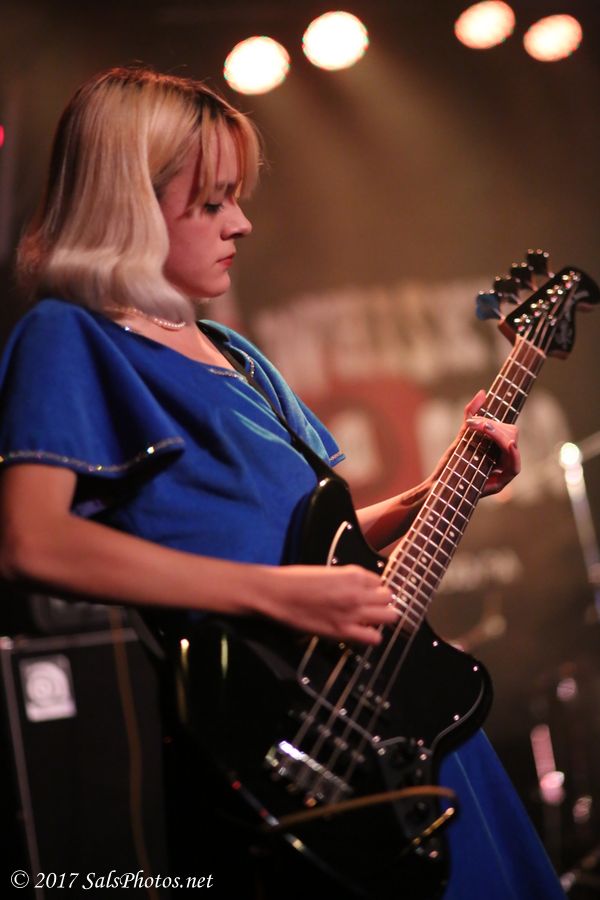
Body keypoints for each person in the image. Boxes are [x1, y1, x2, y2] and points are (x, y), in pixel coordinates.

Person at [0, 67, 564, 898]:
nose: (243, 222)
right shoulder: (69, 336)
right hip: (282, 733)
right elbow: (32, 541)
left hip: (394, 722)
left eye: (237, 197)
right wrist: (279, 595)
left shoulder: (238, 355)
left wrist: (437, 492)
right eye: (212, 202)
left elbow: (310, 540)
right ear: (129, 204)